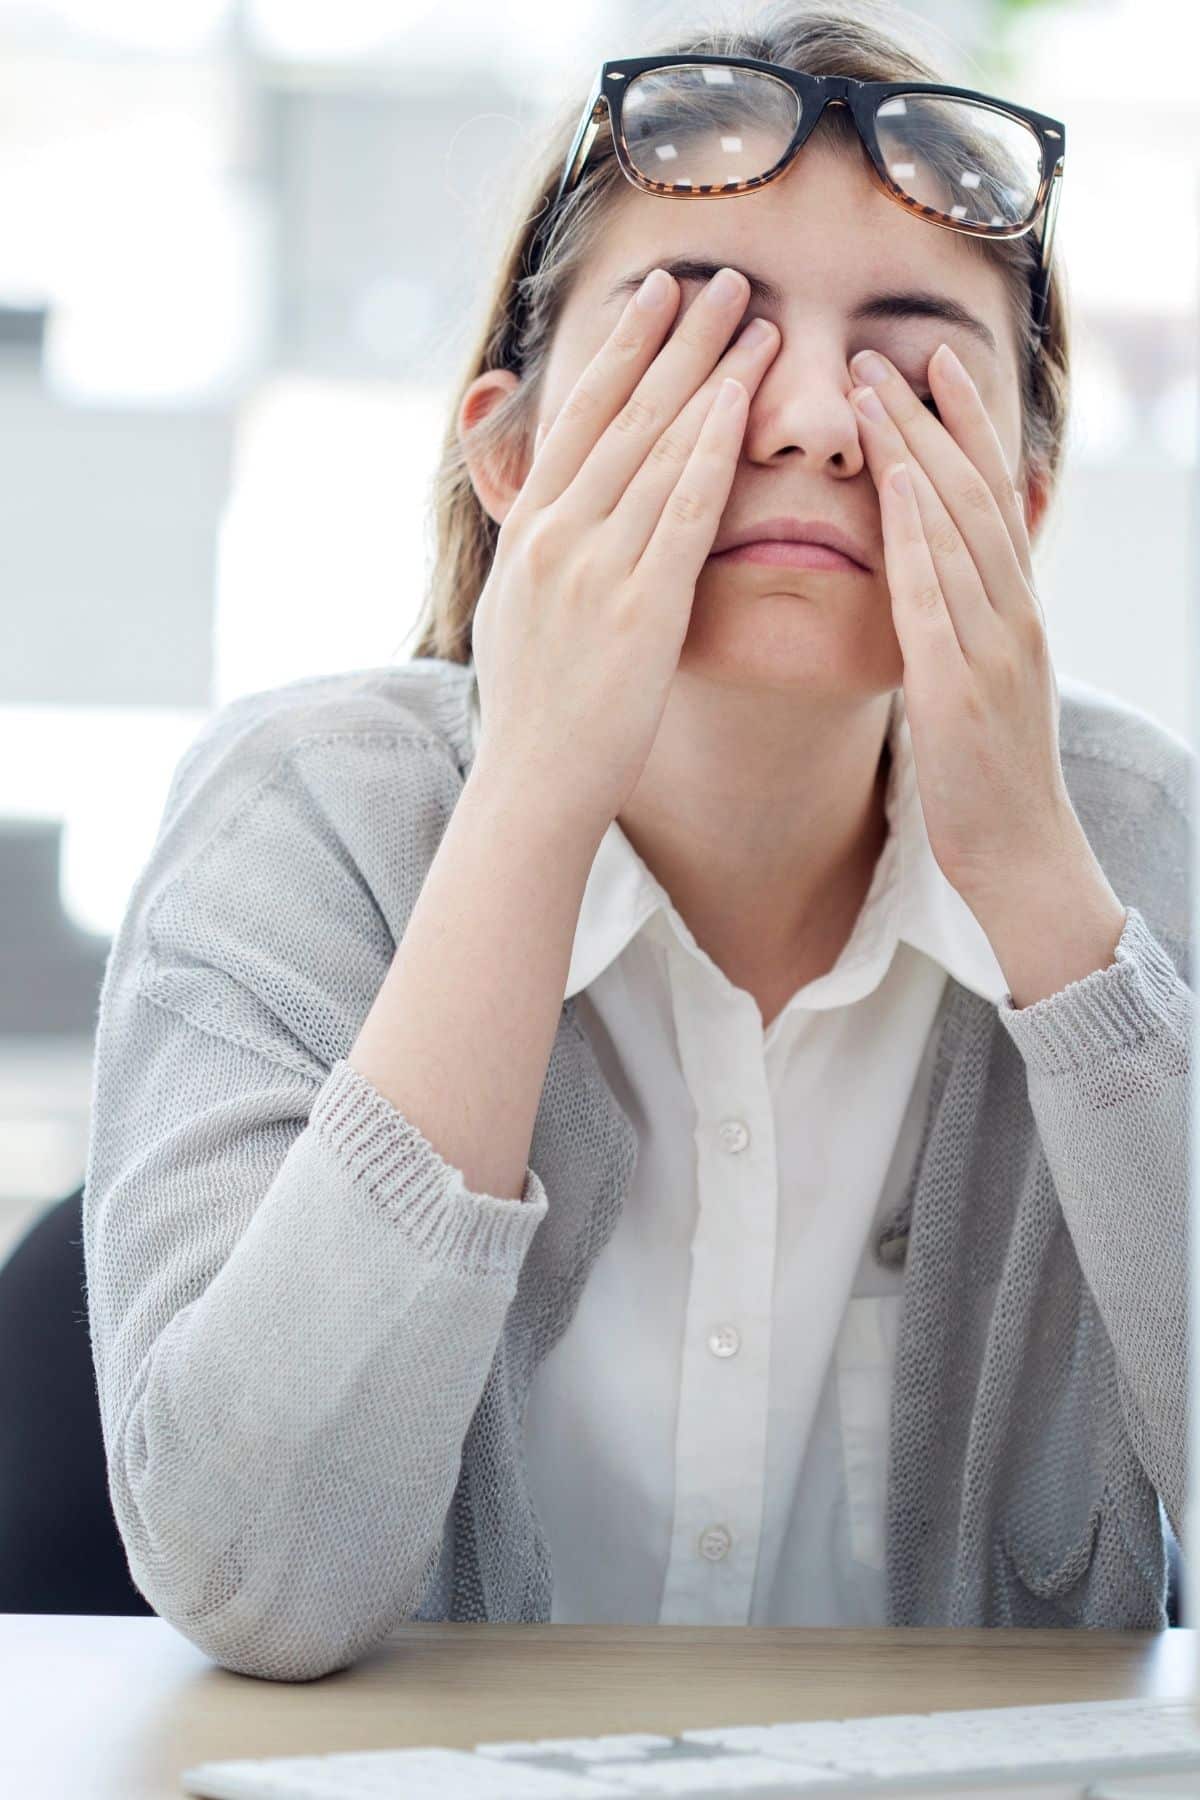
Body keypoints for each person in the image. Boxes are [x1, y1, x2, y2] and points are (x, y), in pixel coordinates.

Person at [83, 0, 1191, 1681]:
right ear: (514, 455)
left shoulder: (1140, 842)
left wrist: (1041, 890)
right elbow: (257, 1578)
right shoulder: (300, 817)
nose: (811, 419)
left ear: (1024, 500)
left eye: (908, 364)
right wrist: (532, 794)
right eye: (706, 336)